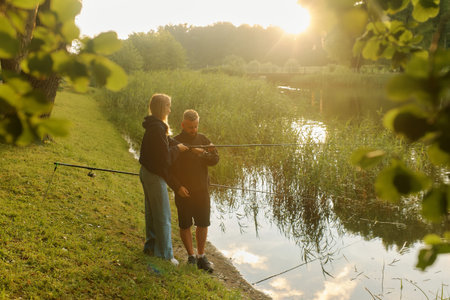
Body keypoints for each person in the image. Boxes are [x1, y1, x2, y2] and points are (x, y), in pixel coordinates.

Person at [138, 93, 189, 265]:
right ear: (162, 108)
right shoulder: (157, 128)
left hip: (146, 173)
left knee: (152, 214)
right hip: (153, 176)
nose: (170, 109)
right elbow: (164, 158)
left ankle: (151, 247)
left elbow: (165, 142)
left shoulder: (154, 126)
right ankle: (166, 256)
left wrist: (179, 145)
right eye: (168, 106)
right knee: (163, 216)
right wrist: (178, 150)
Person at [171, 109, 219, 272]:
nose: (194, 130)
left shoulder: (204, 139)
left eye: (196, 126)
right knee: (185, 225)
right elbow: (168, 168)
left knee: (203, 223)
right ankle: (191, 256)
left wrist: (203, 153)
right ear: (183, 124)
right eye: (190, 127)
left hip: (202, 190)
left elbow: (215, 160)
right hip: (183, 191)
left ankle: (201, 256)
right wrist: (178, 187)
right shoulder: (174, 141)